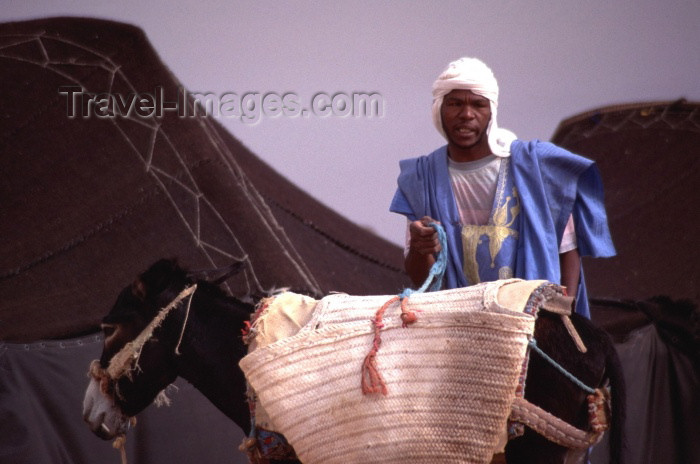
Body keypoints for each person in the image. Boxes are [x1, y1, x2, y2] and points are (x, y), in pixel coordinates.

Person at [390, 57, 615, 318]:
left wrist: (564, 314)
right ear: (439, 109)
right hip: (457, 324)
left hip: (532, 321)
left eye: (478, 104)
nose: (466, 114)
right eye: (454, 104)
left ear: (491, 111)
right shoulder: (421, 179)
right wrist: (422, 247)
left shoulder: (533, 167)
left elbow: (567, 249)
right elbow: (422, 280)